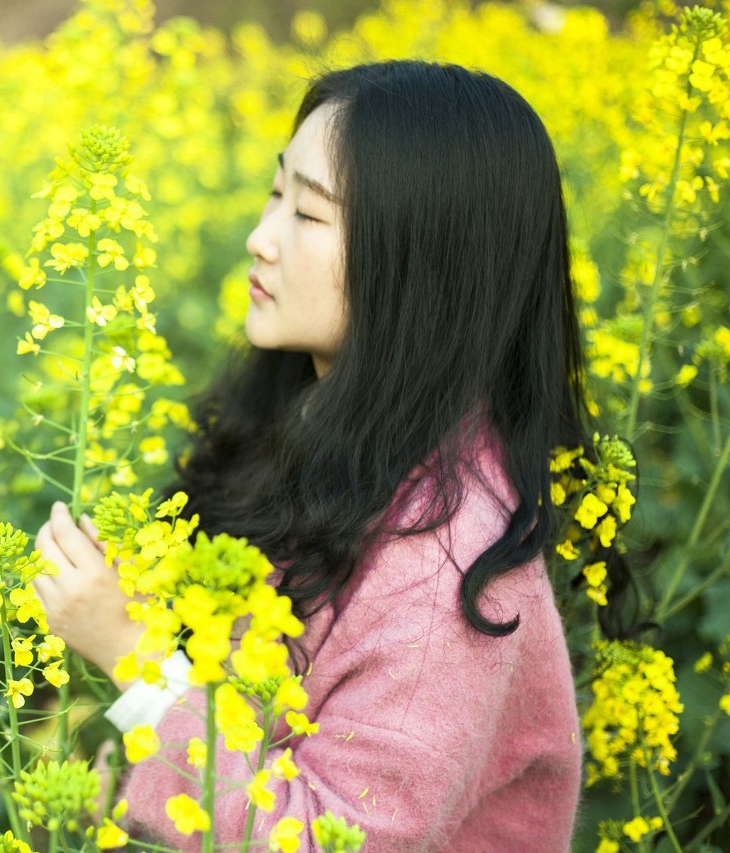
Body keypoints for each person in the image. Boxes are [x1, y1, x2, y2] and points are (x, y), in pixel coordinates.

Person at [32, 60, 607, 851]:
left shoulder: (450, 566)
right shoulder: (323, 428)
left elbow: (322, 838)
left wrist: (132, 653)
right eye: (276, 193)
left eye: (308, 214)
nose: (258, 239)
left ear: (418, 264)